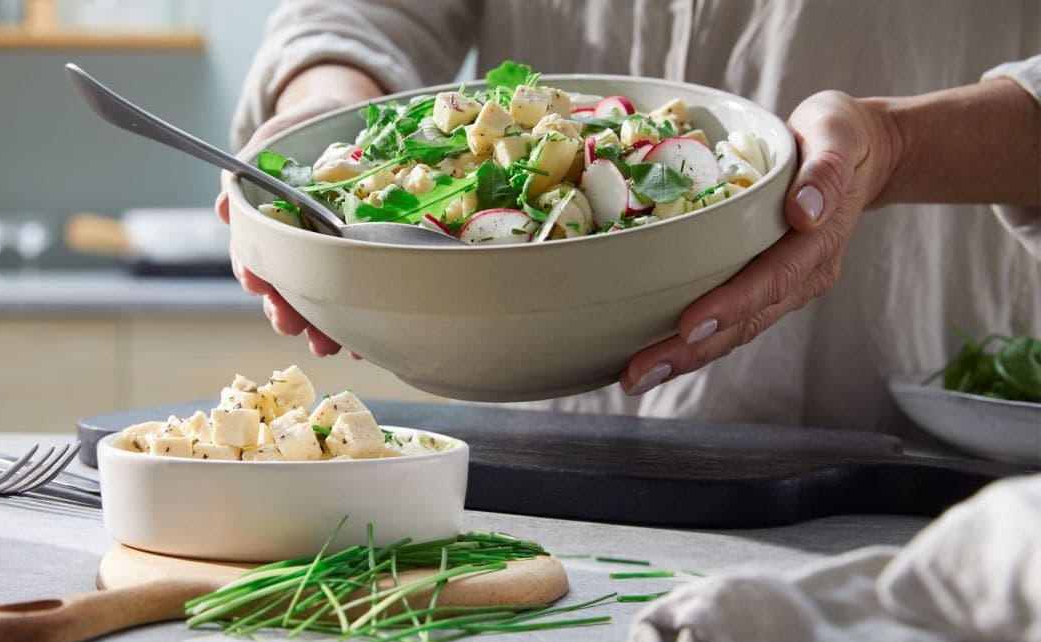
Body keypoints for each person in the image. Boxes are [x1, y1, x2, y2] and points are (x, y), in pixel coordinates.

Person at [215, 0, 1040, 436]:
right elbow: (358, 12)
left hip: (893, 430)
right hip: (534, 431)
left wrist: (895, 143)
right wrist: (325, 109)